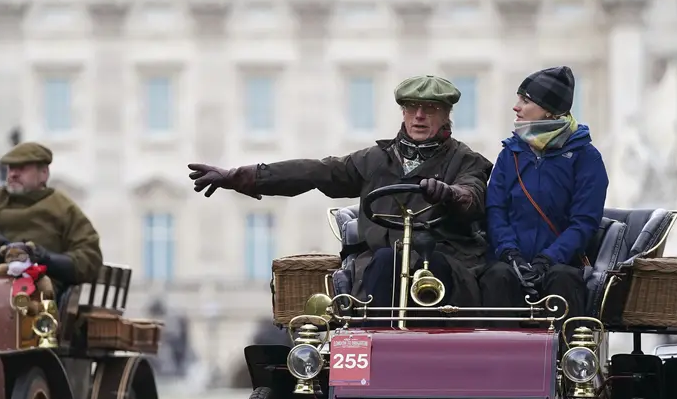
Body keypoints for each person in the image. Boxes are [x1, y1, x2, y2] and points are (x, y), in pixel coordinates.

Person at [189, 75, 493, 308]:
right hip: (381, 266)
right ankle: (374, 346)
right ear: (402, 112)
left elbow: (472, 194)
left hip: (441, 262)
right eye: (412, 108)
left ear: (446, 115)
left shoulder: (467, 161)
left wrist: (450, 194)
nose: (419, 116)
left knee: (434, 265)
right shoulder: (375, 160)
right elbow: (314, 172)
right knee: (385, 260)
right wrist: (238, 177)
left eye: (430, 109)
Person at [478, 66, 608, 321]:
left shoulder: (586, 158)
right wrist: (510, 254)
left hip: (560, 264)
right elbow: (495, 209)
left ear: (548, 110)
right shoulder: (510, 153)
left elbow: (583, 222)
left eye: (525, 100)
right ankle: (496, 359)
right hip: (510, 260)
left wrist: (546, 260)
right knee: (496, 277)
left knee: (562, 279)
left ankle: (566, 358)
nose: (516, 107)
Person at [0, 141, 103, 289]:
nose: (13, 174)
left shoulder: (63, 208)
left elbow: (90, 255)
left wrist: (45, 259)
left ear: (44, 174)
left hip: (37, 289)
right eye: (11, 168)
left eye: (22, 169)